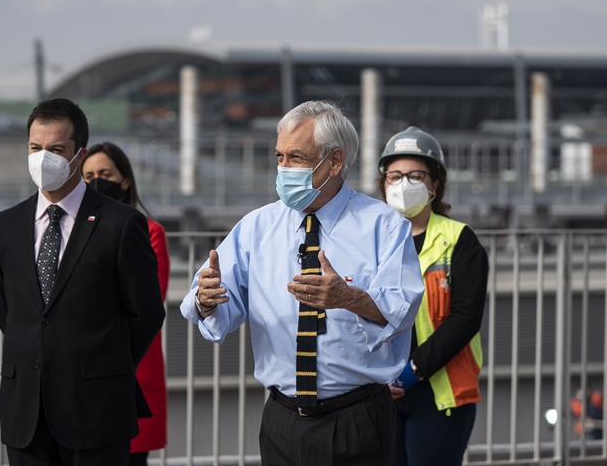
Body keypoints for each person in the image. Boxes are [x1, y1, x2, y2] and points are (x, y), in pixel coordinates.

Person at [180, 100, 423, 466]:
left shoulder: (383, 225)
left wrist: (349, 298)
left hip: (356, 417)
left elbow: (402, 309)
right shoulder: (255, 227)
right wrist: (207, 299)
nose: (283, 169)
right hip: (282, 419)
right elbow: (212, 302)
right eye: (279, 157)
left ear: (335, 161)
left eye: (296, 157)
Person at [0, 98, 165, 465]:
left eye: (56, 149)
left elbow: (146, 313)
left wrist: (103, 365)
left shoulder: (121, 224)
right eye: (35, 148)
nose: (42, 158)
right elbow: (8, 312)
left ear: (78, 155)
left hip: (98, 411)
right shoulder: (5, 226)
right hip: (26, 415)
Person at [377, 127, 487, 466]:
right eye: (395, 176)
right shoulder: (371, 240)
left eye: (415, 175)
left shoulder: (459, 240)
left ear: (434, 184)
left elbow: (465, 318)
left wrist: (411, 372)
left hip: (440, 391)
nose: (403, 184)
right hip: (380, 392)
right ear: (383, 183)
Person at [82, 142, 169, 466]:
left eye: (105, 174)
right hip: (79, 377)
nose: (96, 181)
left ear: (126, 179)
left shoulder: (150, 232)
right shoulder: (70, 231)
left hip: (132, 373)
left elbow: (145, 303)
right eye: (88, 175)